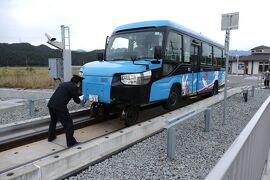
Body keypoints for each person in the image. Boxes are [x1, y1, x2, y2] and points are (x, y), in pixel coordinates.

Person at [47, 75, 84, 147]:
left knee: (53, 121)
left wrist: (78, 94)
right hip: (59, 107)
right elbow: (77, 101)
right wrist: (83, 97)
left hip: (51, 104)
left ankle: (51, 137)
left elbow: (68, 93)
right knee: (68, 124)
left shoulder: (64, 84)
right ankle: (71, 143)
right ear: (78, 83)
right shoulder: (73, 87)